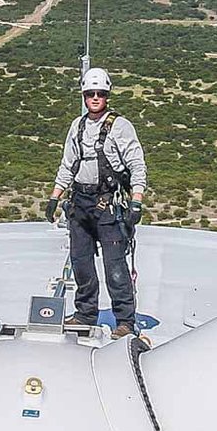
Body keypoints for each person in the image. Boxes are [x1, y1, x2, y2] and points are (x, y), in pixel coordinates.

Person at [51, 66, 147, 336]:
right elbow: (67, 164)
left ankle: (125, 320)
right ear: (83, 95)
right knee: (81, 262)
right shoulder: (77, 126)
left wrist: (137, 199)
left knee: (115, 266)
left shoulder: (120, 126)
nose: (95, 98)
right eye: (90, 93)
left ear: (107, 95)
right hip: (79, 203)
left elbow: (137, 164)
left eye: (100, 93)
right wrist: (55, 196)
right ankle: (85, 314)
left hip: (107, 205)